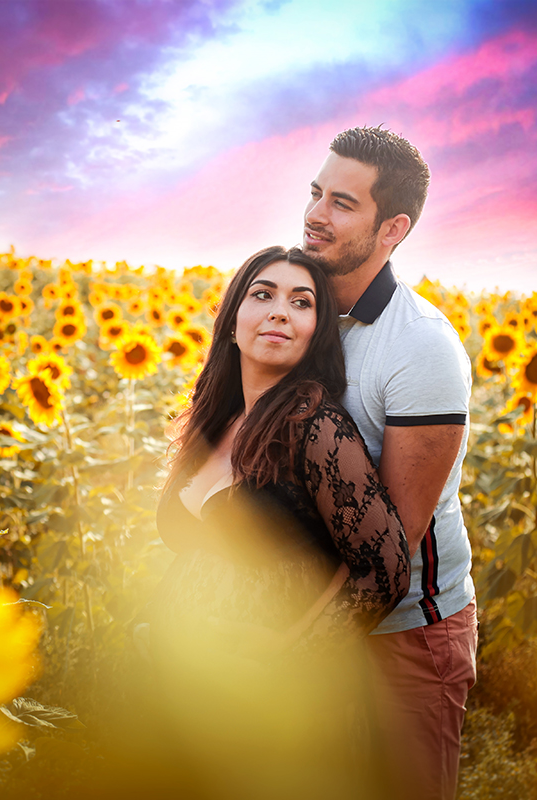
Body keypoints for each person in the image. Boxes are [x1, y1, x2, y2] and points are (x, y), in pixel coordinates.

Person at [148, 244, 411, 799]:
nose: (278, 311)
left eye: (301, 302)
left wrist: (286, 654)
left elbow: (384, 570)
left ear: (316, 330)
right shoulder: (214, 419)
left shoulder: (314, 425)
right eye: (262, 294)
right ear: (233, 317)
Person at [301, 126, 478, 800]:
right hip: (307, 614)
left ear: (392, 228)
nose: (316, 214)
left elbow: (390, 551)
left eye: (342, 203)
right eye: (316, 193)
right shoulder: (300, 310)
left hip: (405, 630)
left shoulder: (420, 346)